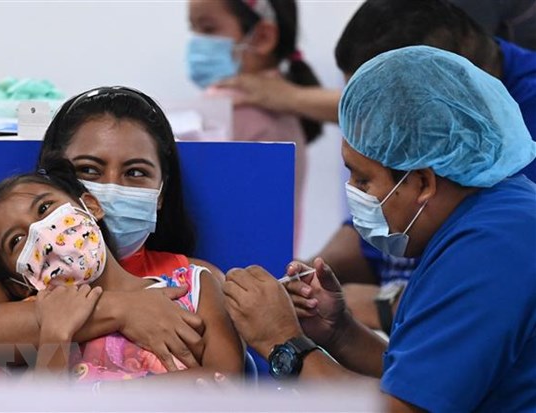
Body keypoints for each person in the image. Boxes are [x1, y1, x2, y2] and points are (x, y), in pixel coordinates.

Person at [223, 46, 536, 411]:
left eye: (364, 179)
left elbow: (401, 409)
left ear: (422, 182)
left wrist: (281, 342)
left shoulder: (489, 250)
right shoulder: (490, 218)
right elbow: (423, 381)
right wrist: (340, 332)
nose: (353, 192)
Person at [218, 0, 536, 332]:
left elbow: (482, 295)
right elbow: (390, 205)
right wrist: (309, 272)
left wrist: (386, 305)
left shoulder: (502, 218)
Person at [0, 86, 223, 372]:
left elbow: (223, 383)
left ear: (161, 194)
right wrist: (123, 310)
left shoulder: (194, 283)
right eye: (89, 170)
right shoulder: (2, 271)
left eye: (135, 173)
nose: (111, 189)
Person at [0, 158, 243, 380]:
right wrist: (54, 337)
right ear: (18, 281)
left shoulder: (194, 288)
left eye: (44, 208)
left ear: (90, 205)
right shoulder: (30, 328)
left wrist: (103, 399)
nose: (41, 233)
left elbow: (224, 383)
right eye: (17, 240)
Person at [187, 0, 323, 247]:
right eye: (193, 29)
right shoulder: (284, 111)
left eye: (207, 29)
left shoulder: (233, 111)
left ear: (262, 36)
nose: (196, 41)